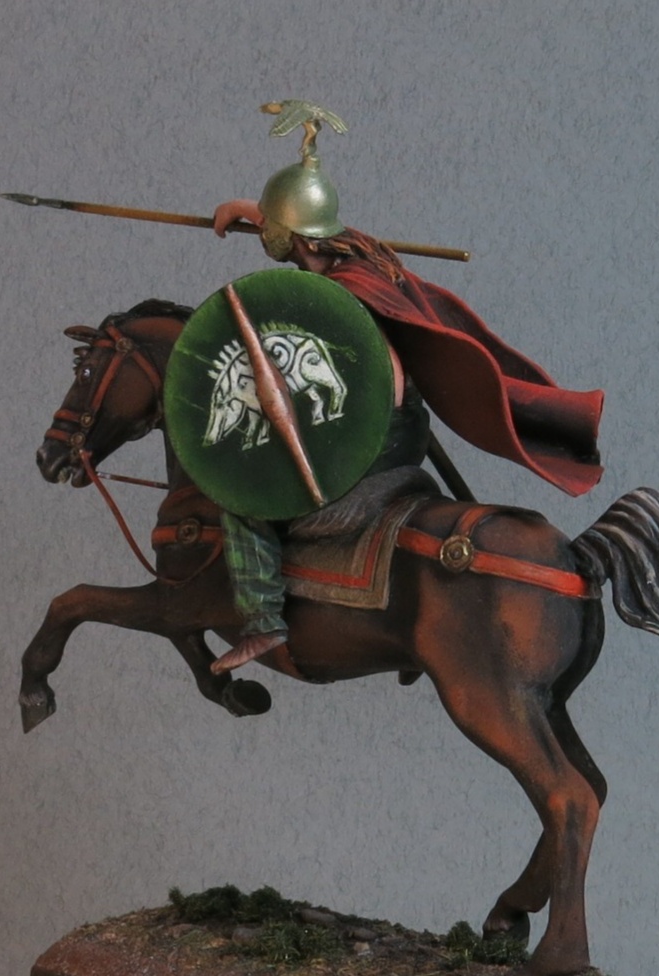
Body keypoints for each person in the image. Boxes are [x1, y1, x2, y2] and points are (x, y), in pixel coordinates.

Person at [208, 123, 603, 674]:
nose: (265, 234)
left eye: (270, 227)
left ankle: (261, 622)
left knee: (243, 495)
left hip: (370, 447)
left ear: (293, 237)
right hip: (406, 433)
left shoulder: (338, 301)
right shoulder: (361, 258)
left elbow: (352, 393)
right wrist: (249, 208)